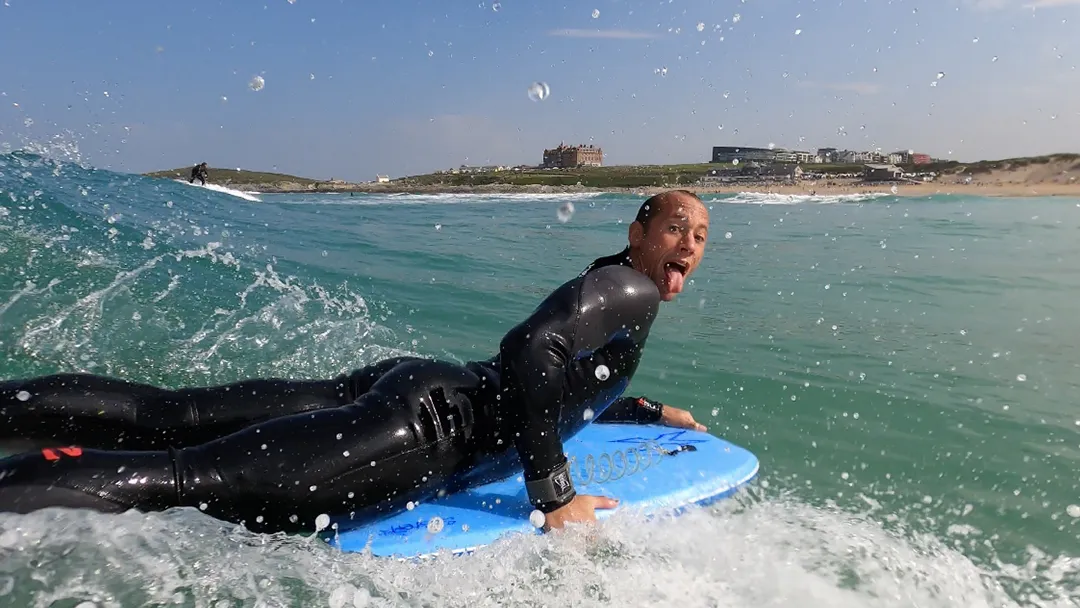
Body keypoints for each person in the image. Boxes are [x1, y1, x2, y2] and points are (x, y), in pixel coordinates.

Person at [0, 189, 711, 534]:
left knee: (171, 414)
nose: (689, 244)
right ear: (636, 233)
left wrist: (638, 409)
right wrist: (554, 494)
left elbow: (547, 384)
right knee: (187, 474)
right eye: (676, 227)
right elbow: (531, 350)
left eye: (703, 236)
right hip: (427, 431)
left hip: (412, 390)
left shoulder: (619, 289)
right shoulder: (632, 288)